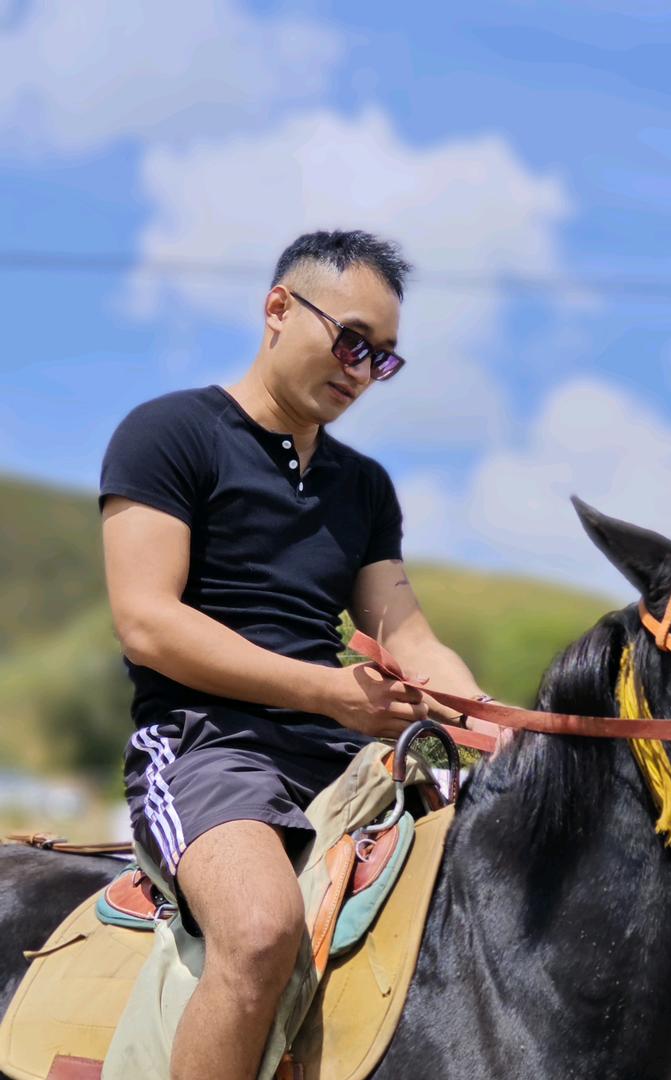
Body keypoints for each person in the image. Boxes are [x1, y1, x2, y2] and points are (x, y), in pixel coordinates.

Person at [100, 230, 495, 1080]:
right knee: (258, 930)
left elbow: (409, 636)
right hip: (206, 746)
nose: (360, 371)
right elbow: (147, 623)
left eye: (383, 359)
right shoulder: (168, 433)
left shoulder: (365, 487)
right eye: (352, 341)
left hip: (348, 754)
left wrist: (500, 730)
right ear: (279, 308)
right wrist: (327, 692)